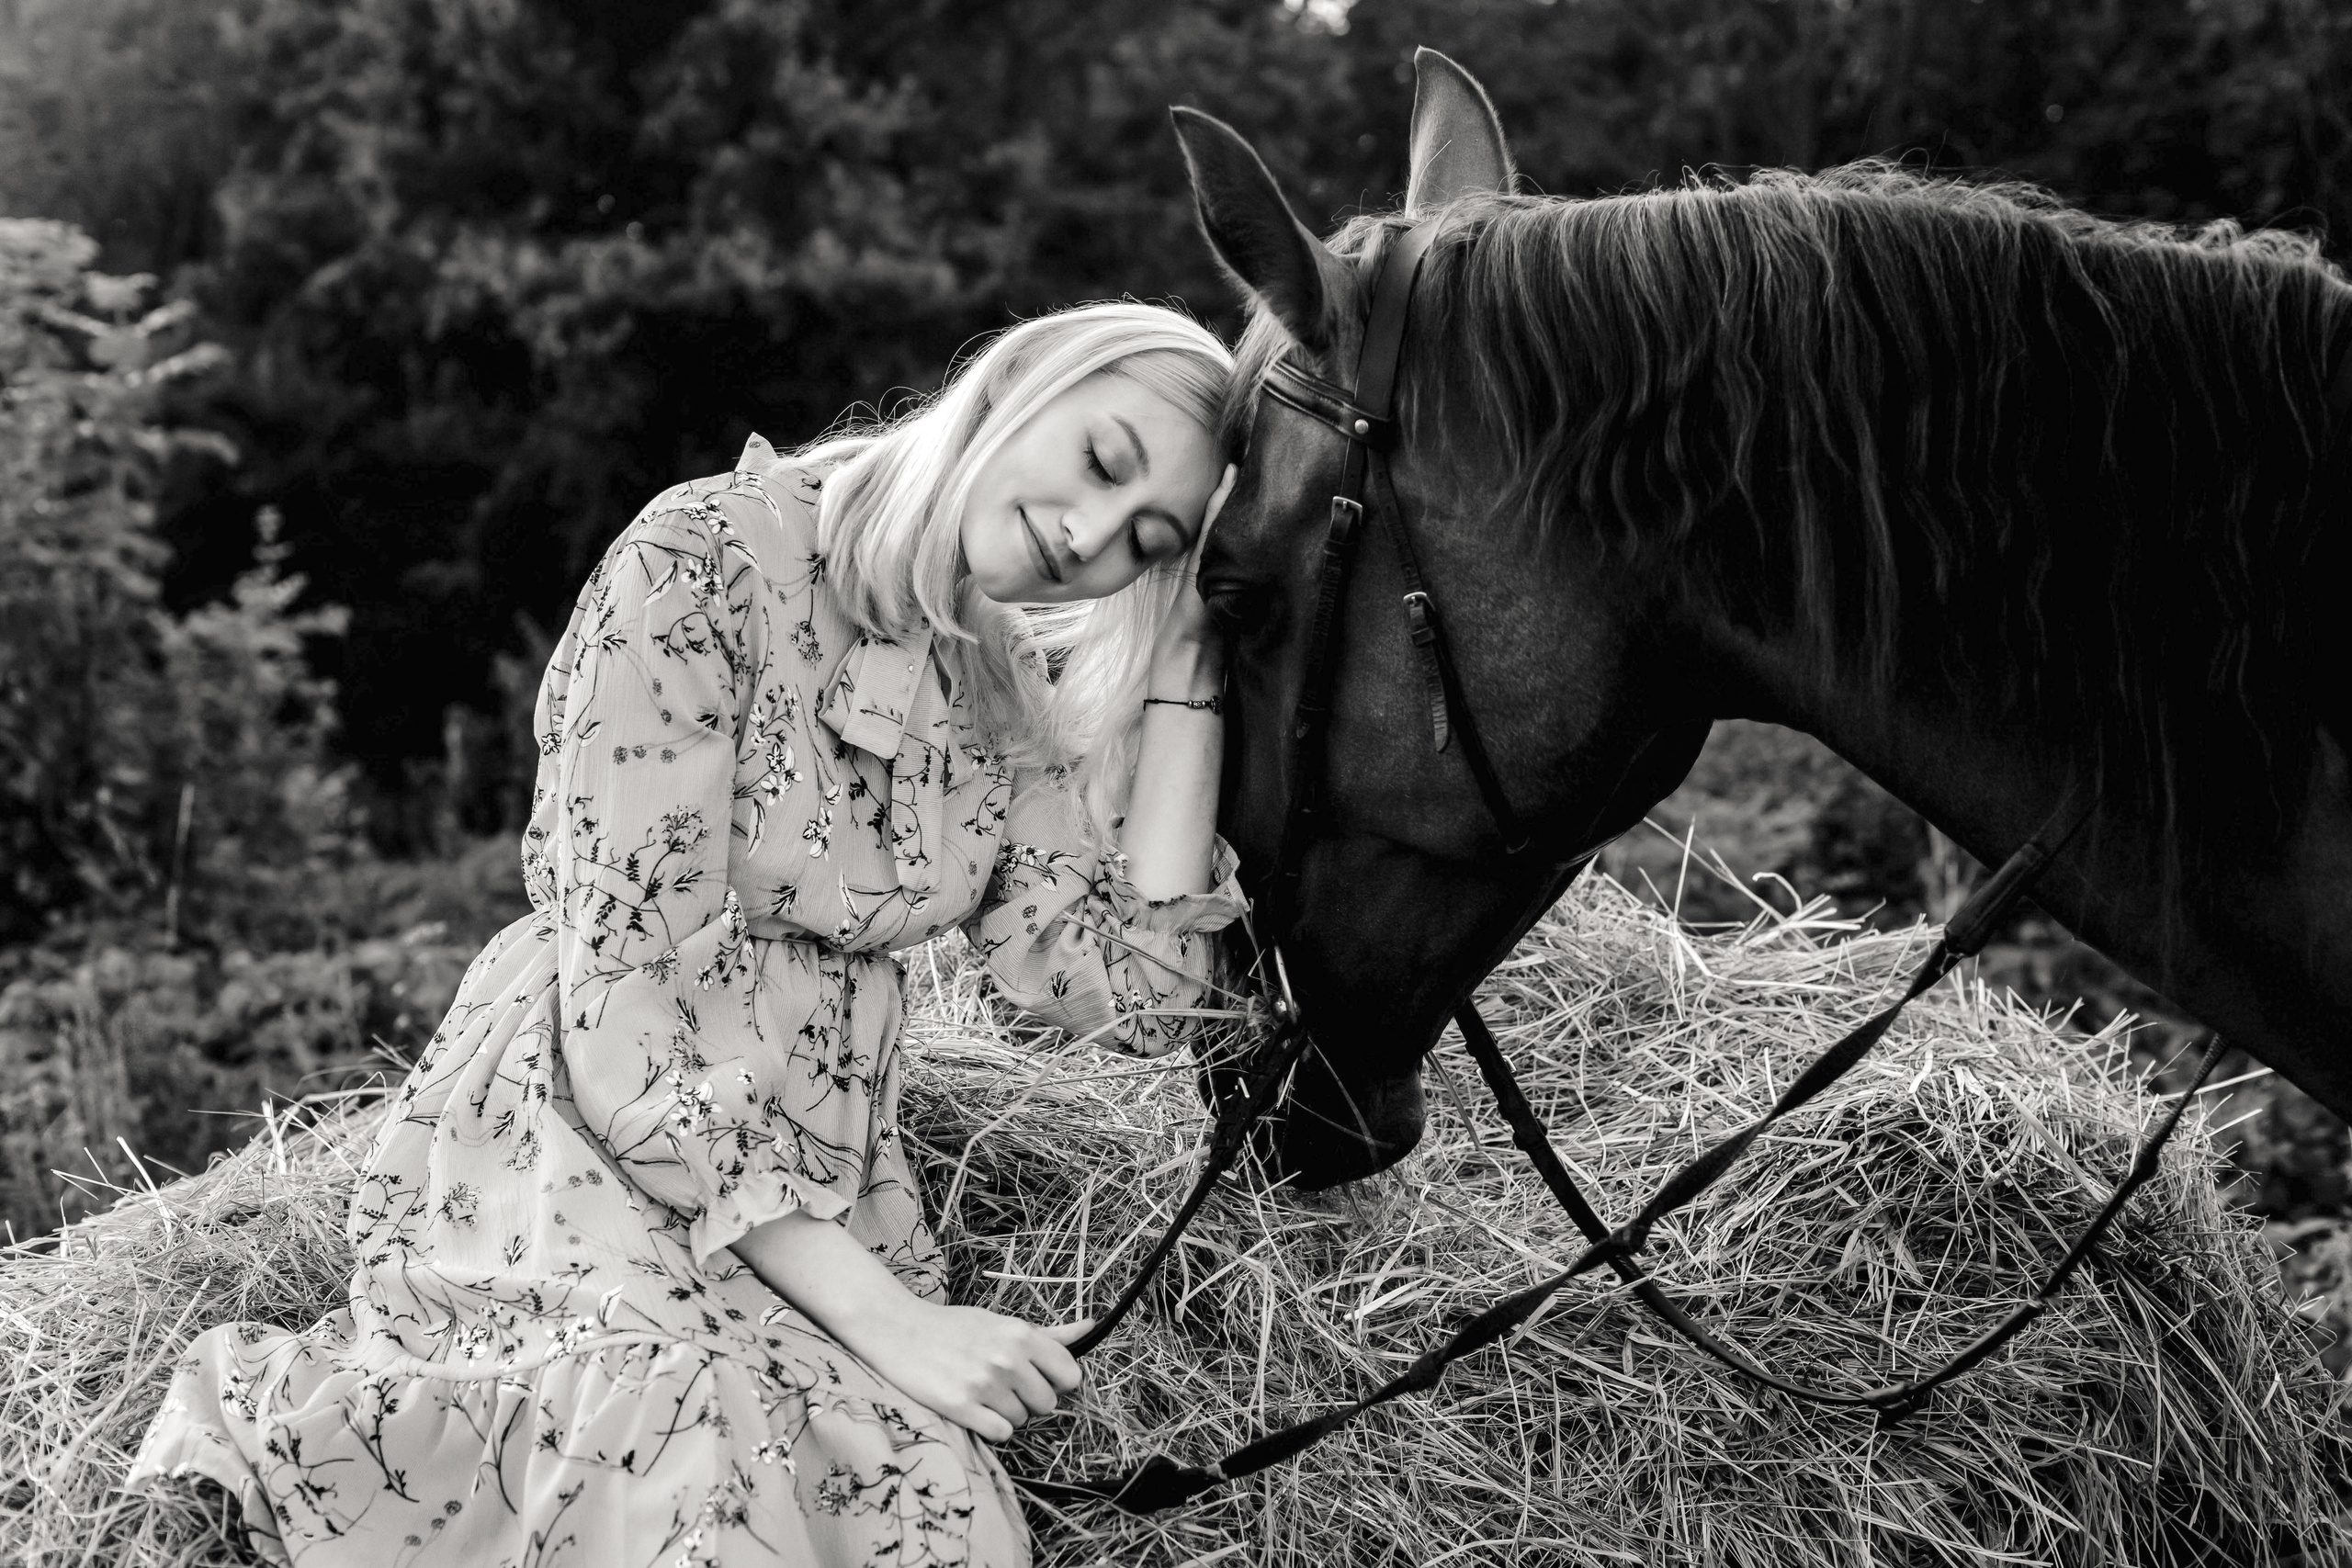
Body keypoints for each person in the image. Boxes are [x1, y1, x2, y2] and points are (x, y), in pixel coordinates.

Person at [129, 301, 1245, 1568]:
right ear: (1024, 383)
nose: (1089, 536)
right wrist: (890, 1321)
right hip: (582, 1131)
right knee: (683, 1453)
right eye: (1103, 463)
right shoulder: (701, 558)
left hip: (830, 1183)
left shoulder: (1001, 699)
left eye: (1144, 544)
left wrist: (1196, 645)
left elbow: (1126, 1000)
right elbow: (627, 999)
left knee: (940, 1520)